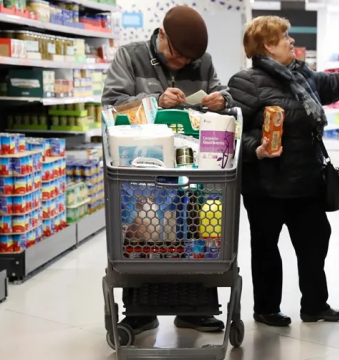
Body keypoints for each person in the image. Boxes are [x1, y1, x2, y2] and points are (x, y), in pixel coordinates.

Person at [228, 16, 339, 327]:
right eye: (284, 37)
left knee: (315, 242)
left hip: (307, 183)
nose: (291, 41)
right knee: (266, 248)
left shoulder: (302, 76)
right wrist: (256, 149)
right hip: (266, 187)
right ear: (267, 46)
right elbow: (235, 131)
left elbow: (336, 83)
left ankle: (314, 305)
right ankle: (267, 309)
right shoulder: (245, 82)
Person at [102, 6, 230, 335]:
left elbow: (223, 92)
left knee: (195, 231)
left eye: (189, 61)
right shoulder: (129, 57)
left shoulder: (203, 61)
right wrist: (155, 100)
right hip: (139, 167)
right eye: (177, 57)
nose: (183, 64)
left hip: (193, 166)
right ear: (162, 36)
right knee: (142, 232)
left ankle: (197, 309)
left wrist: (221, 100)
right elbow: (112, 103)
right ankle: (139, 311)